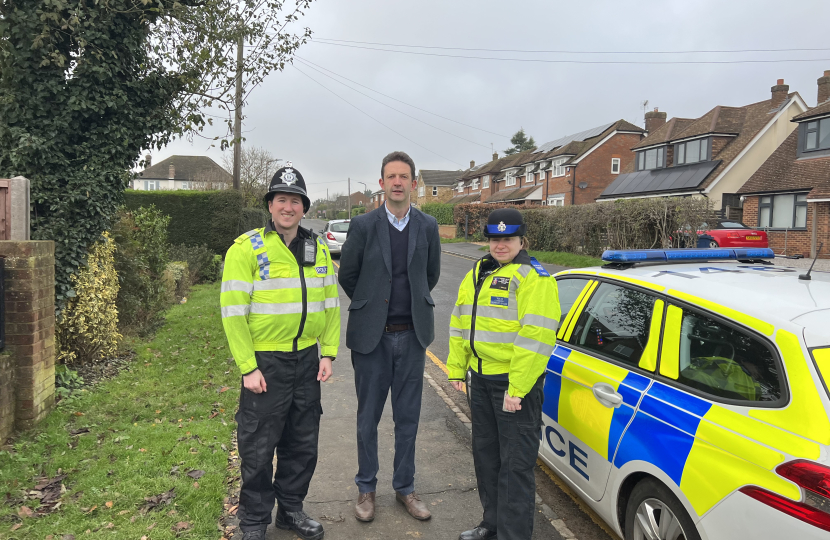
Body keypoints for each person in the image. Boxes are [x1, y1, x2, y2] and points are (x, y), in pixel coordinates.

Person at [220, 164, 340, 540]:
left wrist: (327, 353)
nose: (288, 207)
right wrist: (248, 367)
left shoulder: (318, 248)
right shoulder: (246, 249)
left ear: (304, 208)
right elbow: (233, 313)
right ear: (270, 205)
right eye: (281, 199)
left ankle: (290, 510)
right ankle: (254, 522)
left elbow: (331, 303)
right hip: (266, 363)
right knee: (258, 446)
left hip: (306, 360)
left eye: (295, 201)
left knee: (302, 444)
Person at [338, 151, 441, 523]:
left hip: (412, 337)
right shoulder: (363, 225)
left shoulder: (428, 226)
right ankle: (366, 488)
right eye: (391, 176)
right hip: (372, 340)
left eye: (404, 176)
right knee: (367, 418)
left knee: (408, 419)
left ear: (413, 183)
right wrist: (372, 307)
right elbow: (348, 275)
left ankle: (405, 487)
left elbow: (430, 275)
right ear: (382, 183)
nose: (398, 182)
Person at [447, 208, 560, 540]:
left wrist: (517, 388)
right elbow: (459, 321)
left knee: (515, 467)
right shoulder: (479, 271)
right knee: (487, 458)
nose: (500, 245)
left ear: (522, 240)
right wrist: (456, 367)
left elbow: (536, 338)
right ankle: (491, 525)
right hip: (480, 380)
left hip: (512, 386)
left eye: (508, 239)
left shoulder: (534, 278)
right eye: (495, 239)